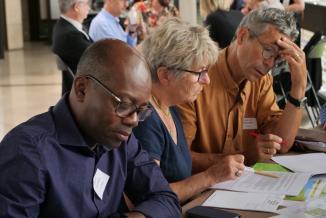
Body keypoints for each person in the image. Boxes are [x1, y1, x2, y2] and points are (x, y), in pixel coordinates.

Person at [0, 39, 180, 217]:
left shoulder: (123, 140)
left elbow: (166, 199)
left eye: (141, 110)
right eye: (124, 105)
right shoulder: (27, 154)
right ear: (82, 89)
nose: (133, 120)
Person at [133, 18, 245, 204]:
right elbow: (151, 198)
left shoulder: (170, 106)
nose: (207, 80)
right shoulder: (146, 120)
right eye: (199, 73)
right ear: (165, 75)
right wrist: (210, 177)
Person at [178, 8, 307, 166]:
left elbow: (281, 143)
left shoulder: (261, 80)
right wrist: (245, 156)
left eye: (277, 59)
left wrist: (299, 88)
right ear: (242, 36)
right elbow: (178, 161)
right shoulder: (197, 78)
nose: (270, 64)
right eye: (268, 51)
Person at [52, 0, 93, 94]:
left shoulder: (66, 27)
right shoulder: (69, 35)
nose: (89, 8)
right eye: (87, 4)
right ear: (77, 7)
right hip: (84, 92)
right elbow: (97, 57)